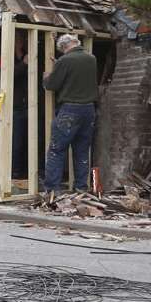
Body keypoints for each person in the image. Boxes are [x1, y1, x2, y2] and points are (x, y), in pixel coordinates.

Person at [42, 34, 98, 193]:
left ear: (64, 47)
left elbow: (52, 85)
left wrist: (47, 77)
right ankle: (81, 188)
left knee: (56, 149)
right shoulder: (91, 58)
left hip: (70, 110)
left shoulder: (65, 60)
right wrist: (60, 65)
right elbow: (77, 76)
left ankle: (52, 190)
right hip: (89, 110)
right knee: (81, 150)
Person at [10, 38, 29, 177]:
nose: (19, 42)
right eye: (17, 39)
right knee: (17, 142)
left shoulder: (29, 55)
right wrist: (23, 64)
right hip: (15, 106)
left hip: (31, 105)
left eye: (20, 39)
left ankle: (31, 171)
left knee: (33, 141)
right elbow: (6, 76)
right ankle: (16, 171)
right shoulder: (5, 56)